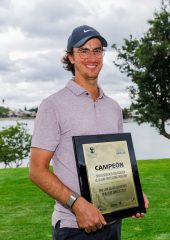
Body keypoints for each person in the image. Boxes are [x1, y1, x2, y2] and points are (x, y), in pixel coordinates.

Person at [29, 25, 149, 240]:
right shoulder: (53, 105)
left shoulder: (113, 107)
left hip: (113, 223)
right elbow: (36, 170)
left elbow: (117, 161)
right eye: (83, 51)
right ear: (71, 57)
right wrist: (77, 204)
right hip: (74, 227)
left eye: (97, 50)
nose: (91, 57)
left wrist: (133, 194)